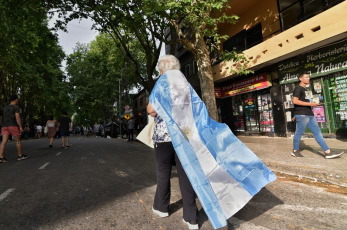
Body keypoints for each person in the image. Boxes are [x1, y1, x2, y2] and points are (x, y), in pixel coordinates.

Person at [147, 56, 199, 229]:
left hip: (164, 137)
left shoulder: (161, 83)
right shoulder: (185, 84)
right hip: (184, 135)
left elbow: (151, 110)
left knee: (163, 172)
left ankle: (162, 208)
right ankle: (191, 217)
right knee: (186, 174)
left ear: (162, 70)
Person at [291, 72, 344, 159]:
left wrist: (313, 104)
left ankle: (327, 152)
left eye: (309, 77)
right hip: (302, 115)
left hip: (309, 114)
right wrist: (309, 105)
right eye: (306, 77)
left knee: (317, 132)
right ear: (301, 79)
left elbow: (304, 102)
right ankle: (295, 151)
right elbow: (295, 101)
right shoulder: (298, 88)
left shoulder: (305, 90)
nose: (308, 78)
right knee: (299, 133)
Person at [0, 95, 29, 163]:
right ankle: (20, 155)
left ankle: (1, 157)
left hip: (4, 126)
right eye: (17, 99)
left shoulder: (5, 107)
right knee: (18, 141)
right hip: (13, 125)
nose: (18, 101)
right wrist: (20, 127)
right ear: (16, 100)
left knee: (3, 142)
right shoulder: (16, 107)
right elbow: (17, 117)